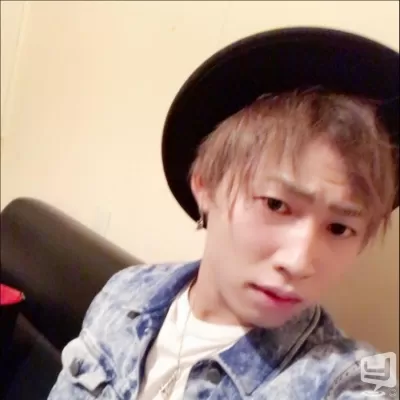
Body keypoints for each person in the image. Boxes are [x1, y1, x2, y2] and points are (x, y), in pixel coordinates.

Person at [48, 27, 399, 399]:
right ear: (205, 186)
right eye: (276, 204)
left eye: (340, 228)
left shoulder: (345, 380)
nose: (298, 263)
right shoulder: (125, 293)